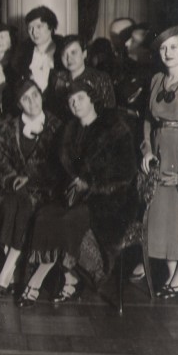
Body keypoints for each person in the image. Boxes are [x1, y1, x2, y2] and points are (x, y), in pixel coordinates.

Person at [16, 82, 139, 307]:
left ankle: (35, 281)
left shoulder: (115, 129)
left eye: (80, 98)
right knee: (45, 215)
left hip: (110, 200)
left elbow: (125, 175)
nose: (75, 104)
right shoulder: (69, 131)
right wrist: (31, 178)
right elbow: (54, 169)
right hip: (74, 196)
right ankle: (71, 279)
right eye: (71, 101)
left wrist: (90, 185)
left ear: (92, 99)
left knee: (69, 220)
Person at [0, 78, 63, 296]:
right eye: (25, 98)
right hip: (12, 188)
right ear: (19, 104)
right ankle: (10, 264)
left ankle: (8, 269)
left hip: (44, 190)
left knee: (25, 204)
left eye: (35, 95)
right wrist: (13, 178)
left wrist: (31, 179)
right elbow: (0, 163)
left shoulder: (57, 126)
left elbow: (59, 166)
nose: (32, 101)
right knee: (9, 203)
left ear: (41, 95)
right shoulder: (9, 128)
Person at [139, 25, 178, 298]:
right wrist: (147, 151)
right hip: (161, 150)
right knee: (163, 213)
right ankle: (172, 269)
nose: (167, 52)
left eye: (173, 46)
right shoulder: (155, 80)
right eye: (163, 48)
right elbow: (147, 120)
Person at [13, 6, 63, 114]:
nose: (34, 32)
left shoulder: (63, 50)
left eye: (39, 26)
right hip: (30, 112)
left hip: (59, 112)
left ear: (50, 27)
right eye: (30, 28)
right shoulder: (21, 54)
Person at [53, 35, 116, 119]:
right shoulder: (59, 78)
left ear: (84, 54)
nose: (69, 58)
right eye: (64, 54)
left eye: (73, 53)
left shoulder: (100, 78)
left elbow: (109, 110)